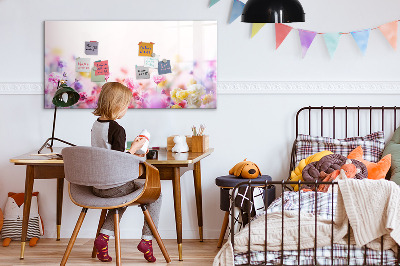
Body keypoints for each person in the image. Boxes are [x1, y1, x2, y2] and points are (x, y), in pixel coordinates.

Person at [91, 82, 161, 263]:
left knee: (121, 197)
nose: (126, 109)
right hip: (114, 186)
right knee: (156, 194)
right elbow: (119, 160)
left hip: (97, 186)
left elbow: (108, 154)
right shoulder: (117, 129)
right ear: (117, 105)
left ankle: (103, 238)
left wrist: (130, 149)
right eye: (126, 105)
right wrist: (136, 148)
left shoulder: (96, 125)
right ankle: (147, 240)